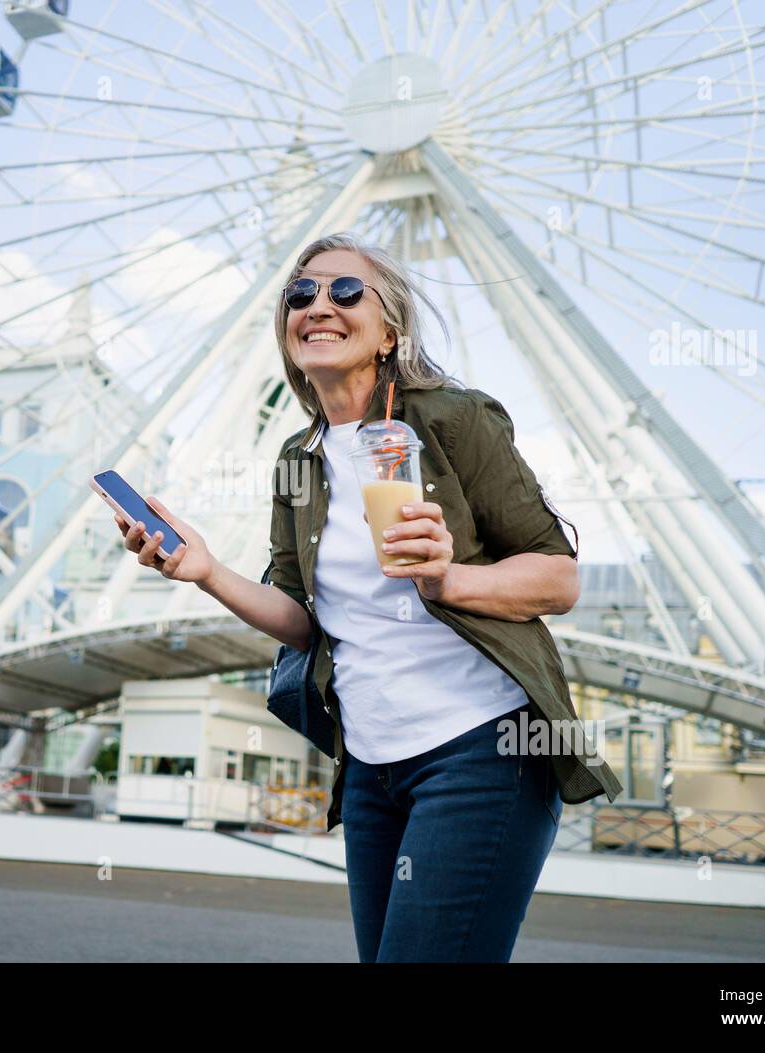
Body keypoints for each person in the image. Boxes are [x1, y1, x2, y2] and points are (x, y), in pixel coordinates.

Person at [106, 231, 622, 962]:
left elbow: (559, 577)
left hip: (483, 750)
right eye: (300, 293)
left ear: (391, 330)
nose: (319, 304)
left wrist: (451, 578)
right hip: (372, 768)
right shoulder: (298, 461)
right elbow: (299, 619)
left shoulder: (453, 419)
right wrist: (207, 569)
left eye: (346, 291)